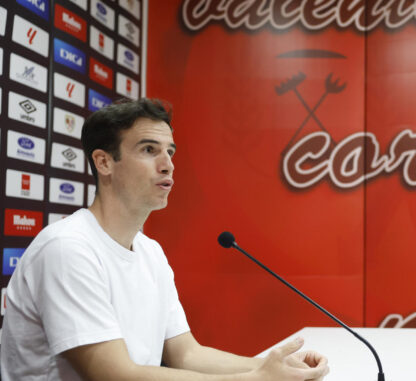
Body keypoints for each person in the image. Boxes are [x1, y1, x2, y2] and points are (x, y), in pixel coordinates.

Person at [0, 98, 329, 381]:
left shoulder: (150, 251)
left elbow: (186, 354)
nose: (168, 165)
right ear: (104, 162)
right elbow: (114, 374)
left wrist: (275, 369)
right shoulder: (68, 248)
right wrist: (255, 379)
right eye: (148, 150)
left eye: (170, 151)